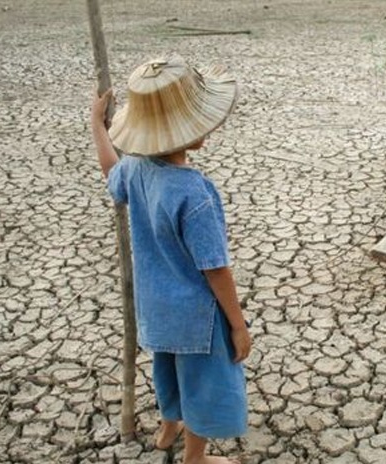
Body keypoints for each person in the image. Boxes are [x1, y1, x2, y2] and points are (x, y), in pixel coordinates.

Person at [90, 55, 251, 464]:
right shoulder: (194, 193)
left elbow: (112, 173)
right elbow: (214, 267)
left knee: (167, 370)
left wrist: (97, 127)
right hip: (196, 315)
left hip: (155, 307)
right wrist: (238, 324)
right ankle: (195, 457)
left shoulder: (137, 169)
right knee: (201, 385)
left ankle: (167, 429)